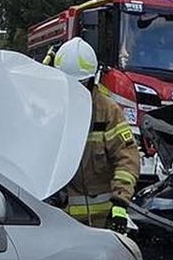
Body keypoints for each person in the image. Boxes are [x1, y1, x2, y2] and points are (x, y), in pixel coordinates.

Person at [52, 38, 141, 233]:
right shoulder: (49, 108)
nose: (75, 90)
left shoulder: (107, 111)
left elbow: (127, 158)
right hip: (56, 220)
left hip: (99, 224)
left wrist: (120, 202)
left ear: (93, 80)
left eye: (81, 84)